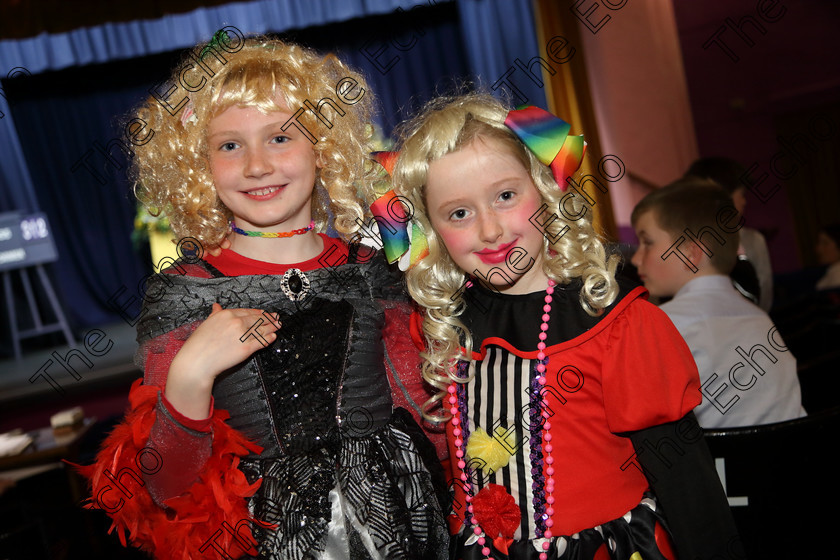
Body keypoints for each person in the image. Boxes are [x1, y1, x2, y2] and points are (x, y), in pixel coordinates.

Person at [79, 33, 448, 560]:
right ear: (198, 165)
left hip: (401, 517)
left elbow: (421, 405)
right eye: (230, 145)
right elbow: (167, 488)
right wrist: (191, 373)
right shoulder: (186, 291)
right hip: (270, 533)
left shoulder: (371, 269)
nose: (257, 165)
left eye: (280, 138)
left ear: (321, 148)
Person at [387, 94, 738, 560]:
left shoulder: (616, 322)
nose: (490, 231)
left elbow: (686, 478)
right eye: (459, 213)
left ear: (545, 191)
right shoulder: (443, 327)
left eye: (506, 196)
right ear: (430, 229)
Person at [631, 178, 806, 429]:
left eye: (647, 242)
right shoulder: (760, 318)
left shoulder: (660, 323)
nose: (636, 259)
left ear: (691, 254)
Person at [685, 157, 774, 311]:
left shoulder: (751, 240)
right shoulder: (685, 240)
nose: (744, 201)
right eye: (741, 194)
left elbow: (764, 298)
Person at [815, 224, 840, 290]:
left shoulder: (837, 275)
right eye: (819, 243)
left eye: (825, 243)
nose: (819, 249)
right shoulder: (831, 271)